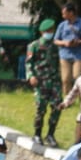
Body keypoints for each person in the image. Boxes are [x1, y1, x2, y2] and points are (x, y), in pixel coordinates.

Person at [27, 17, 63, 147]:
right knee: (40, 108)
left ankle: (50, 134)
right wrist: (31, 76)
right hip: (41, 82)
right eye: (48, 30)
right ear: (42, 32)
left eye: (52, 30)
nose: (50, 32)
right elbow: (29, 63)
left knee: (57, 107)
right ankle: (37, 134)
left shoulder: (56, 46)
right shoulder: (34, 46)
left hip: (55, 82)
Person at [54, 3, 81, 96]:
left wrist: (79, 42)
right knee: (65, 79)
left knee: (77, 77)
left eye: (64, 13)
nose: (63, 15)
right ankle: (67, 99)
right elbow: (55, 40)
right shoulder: (62, 25)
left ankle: (80, 97)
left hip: (79, 54)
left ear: (71, 13)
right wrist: (65, 43)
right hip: (64, 54)